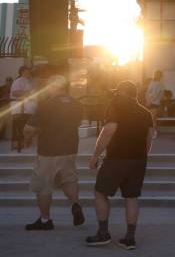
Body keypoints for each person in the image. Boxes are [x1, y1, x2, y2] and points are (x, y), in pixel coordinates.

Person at [86, 80, 154, 250]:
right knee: (131, 197)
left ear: (123, 93)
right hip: (138, 160)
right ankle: (130, 238)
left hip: (116, 158)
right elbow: (149, 137)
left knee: (100, 192)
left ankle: (103, 234)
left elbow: (108, 130)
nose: (116, 94)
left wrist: (95, 155)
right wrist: (142, 156)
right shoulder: (145, 113)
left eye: (118, 92)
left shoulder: (116, 106)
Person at [23, 74, 85, 230]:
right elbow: (77, 123)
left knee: (43, 186)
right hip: (70, 149)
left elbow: (29, 128)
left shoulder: (47, 105)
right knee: (68, 180)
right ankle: (76, 205)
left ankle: (45, 220)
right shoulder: (76, 104)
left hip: (48, 151)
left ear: (52, 87)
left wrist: (28, 138)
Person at [11, 65, 35, 152]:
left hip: (29, 109)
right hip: (20, 109)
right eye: (27, 71)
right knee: (19, 127)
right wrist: (28, 93)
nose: (29, 73)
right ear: (22, 72)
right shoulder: (18, 81)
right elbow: (14, 92)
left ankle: (26, 143)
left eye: (29, 71)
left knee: (28, 126)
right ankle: (18, 145)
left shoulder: (30, 81)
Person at [145, 70, 164, 135]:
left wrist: (150, 101)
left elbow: (159, 94)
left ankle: (154, 132)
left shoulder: (160, 84)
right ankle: (152, 132)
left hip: (154, 103)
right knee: (151, 119)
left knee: (153, 118)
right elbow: (147, 92)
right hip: (151, 102)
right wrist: (148, 101)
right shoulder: (152, 83)